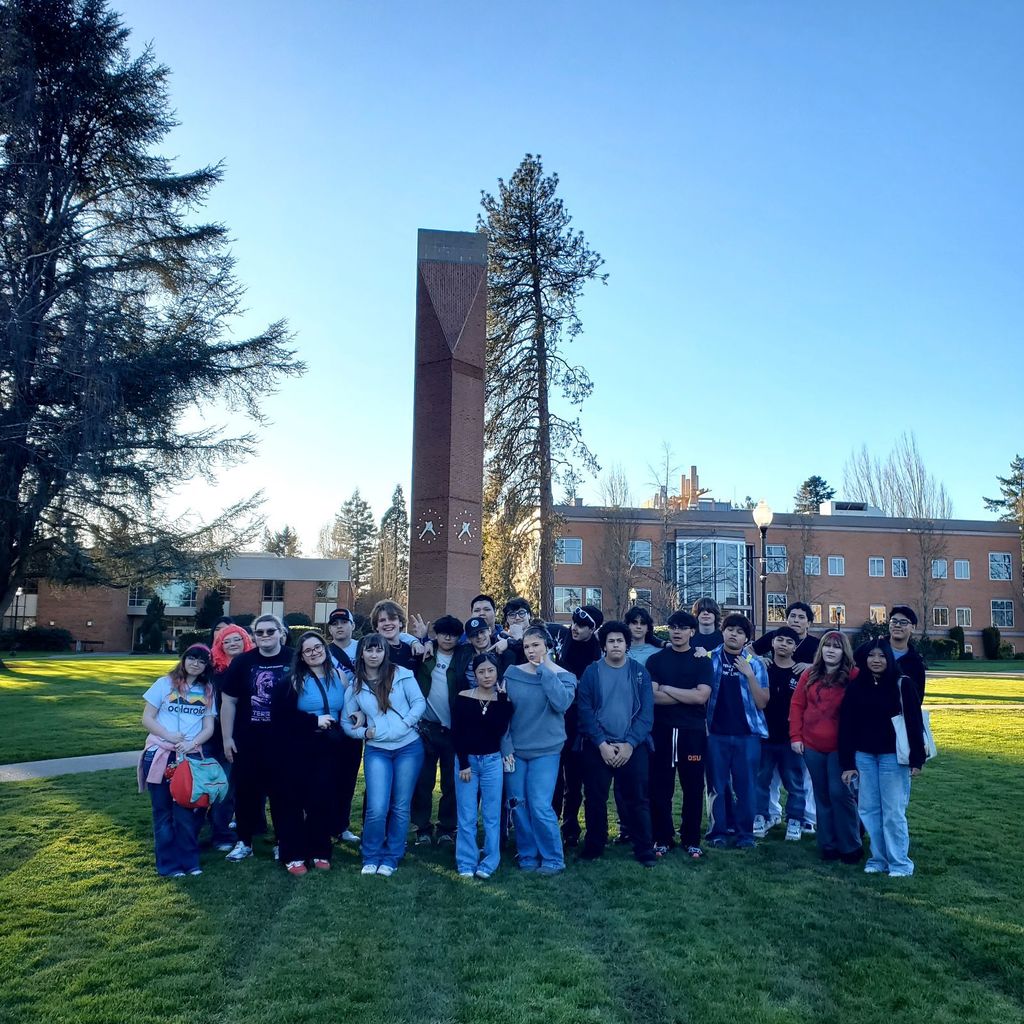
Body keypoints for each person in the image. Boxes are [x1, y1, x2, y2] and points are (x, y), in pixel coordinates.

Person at [342, 633, 426, 876]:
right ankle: (371, 854)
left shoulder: (402, 674)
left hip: (408, 747)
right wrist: (365, 734)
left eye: (378, 650)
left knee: (400, 806)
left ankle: (392, 855)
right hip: (377, 749)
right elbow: (347, 722)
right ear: (362, 653)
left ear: (384, 652)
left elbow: (419, 702)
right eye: (369, 650)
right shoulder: (355, 684)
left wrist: (406, 725)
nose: (374, 654)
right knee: (377, 806)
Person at [840, 643, 925, 876]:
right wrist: (847, 763)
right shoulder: (857, 687)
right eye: (871, 655)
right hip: (864, 756)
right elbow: (847, 726)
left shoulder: (902, 684)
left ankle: (899, 862)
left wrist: (917, 759)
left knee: (893, 811)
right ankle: (878, 858)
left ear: (889, 658)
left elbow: (914, 723)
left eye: (881, 656)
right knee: (868, 809)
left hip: (893, 757)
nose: (876, 660)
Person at [576, 621, 656, 867]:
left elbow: (646, 714)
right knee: (595, 798)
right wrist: (601, 743)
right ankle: (594, 846)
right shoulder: (592, 672)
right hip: (598, 746)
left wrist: (630, 744)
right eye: (611, 641)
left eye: (620, 640)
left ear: (627, 644)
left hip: (632, 746)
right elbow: (585, 710)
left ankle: (644, 849)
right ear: (604, 646)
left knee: (638, 798)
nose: (616, 645)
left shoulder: (639, 673)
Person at [502, 625, 577, 875]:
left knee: (540, 804)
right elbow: (503, 714)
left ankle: (553, 858)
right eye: (526, 646)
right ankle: (527, 854)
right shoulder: (512, 674)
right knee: (518, 803)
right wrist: (506, 746)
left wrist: (545, 671)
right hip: (515, 750)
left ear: (547, 646)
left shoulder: (564, 676)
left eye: (535, 645)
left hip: (546, 750)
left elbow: (561, 703)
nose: (531, 650)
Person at [219, 613, 294, 863]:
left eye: (270, 631)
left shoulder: (294, 658)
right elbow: (228, 701)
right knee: (247, 795)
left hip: (284, 742)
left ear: (281, 633)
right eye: (259, 632)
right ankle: (244, 842)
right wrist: (227, 738)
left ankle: (282, 842)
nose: (264, 636)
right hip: (248, 741)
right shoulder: (243, 662)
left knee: (283, 794)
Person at [138, 645, 217, 877]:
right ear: (183, 660)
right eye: (192, 658)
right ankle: (168, 865)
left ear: (206, 666)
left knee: (187, 812)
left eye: (202, 661)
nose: (196, 663)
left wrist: (192, 744)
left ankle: (190, 862)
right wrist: (168, 736)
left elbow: (209, 727)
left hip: (190, 756)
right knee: (163, 813)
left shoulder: (208, 690)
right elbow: (147, 718)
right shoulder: (164, 684)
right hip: (160, 754)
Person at [277, 631, 348, 875]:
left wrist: (356, 716)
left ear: (325, 649)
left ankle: (320, 849)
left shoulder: (339, 676)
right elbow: (281, 717)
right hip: (299, 747)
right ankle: (293, 854)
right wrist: (313, 721)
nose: (314, 652)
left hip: (330, 747)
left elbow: (348, 707)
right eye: (308, 650)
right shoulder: (294, 680)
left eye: (318, 647)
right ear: (302, 656)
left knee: (322, 800)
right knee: (293, 801)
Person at [790, 631, 862, 864]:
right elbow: (797, 705)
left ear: (844, 651)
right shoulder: (809, 674)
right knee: (821, 796)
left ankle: (850, 845)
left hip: (840, 747)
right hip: (812, 745)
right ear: (820, 649)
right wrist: (795, 737)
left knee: (840, 793)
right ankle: (828, 845)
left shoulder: (854, 676)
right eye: (826, 646)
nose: (831, 650)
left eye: (836, 647)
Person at [646, 610, 713, 859]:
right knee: (660, 787)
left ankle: (691, 839)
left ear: (691, 632)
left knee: (693, 787)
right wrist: (686, 695)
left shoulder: (701, 661)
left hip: (692, 733)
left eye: (683, 627)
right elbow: (653, 697)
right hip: (662, 731)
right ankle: (662, 838)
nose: (677, 631)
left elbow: (701, 696)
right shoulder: (656, 660)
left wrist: (668, 689)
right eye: (673, 627)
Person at [752, 601, 820, 835]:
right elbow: (749, 650)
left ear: (809, 623)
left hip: (796, 730)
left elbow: (827, 664)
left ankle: (803, 818)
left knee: (800, 779)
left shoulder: (814, 645)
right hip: (767, 731)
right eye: (792, 615)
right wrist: (759, 660)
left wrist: (810, 666)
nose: (796, 620)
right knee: (765, 778)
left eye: (802, 617)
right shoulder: (774, 638)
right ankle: (767, 815)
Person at [704, 614, 770, 849]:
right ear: (722, 632)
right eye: (730, 629)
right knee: (716, 785)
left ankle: (745, 834)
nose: (734, 634)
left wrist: (749, 675)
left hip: (747, 735)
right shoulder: (708, 658)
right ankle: (718, 831)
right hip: (715, 733)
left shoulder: (756, 664)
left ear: (746, 638)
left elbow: (762, 702)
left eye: (740, 631)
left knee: (746, 786)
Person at [452, 651, 514, 878]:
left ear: (497, 672)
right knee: (467, 814)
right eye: (481, 672)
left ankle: (490, 860)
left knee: (491, 814)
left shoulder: (503, 701)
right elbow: (458, 733)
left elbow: (498, 730)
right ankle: (466, 861)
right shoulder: (463, 697)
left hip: (492, 762)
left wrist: (503, 700)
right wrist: (464, 763)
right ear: (474, 674)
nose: (487, 676)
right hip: (467, 762)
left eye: (491, 671)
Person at [411, 614, 468, 847]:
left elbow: (488, 643)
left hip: (454, 729)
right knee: (423, 782)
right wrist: (421, 639)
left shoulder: (463, 655)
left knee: (451, 783)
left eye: (453, 634)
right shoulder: (425, 652)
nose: (448, 637)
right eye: (443, 632)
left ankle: (447, 827)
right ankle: (422, 827)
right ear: (436, 633)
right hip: (426, 728)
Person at [554, 605, 603, 846]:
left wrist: (663, 642)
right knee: (554, 779)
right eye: (574, 622)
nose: (576, 628)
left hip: (582, 723)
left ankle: (570, 829)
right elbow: (535, 631)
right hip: (557, 720)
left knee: (575, 781)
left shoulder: (599, 649)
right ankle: (550, 827)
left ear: (593, 629)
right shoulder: (563, 637)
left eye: (582, 625)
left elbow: (640, 635)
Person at [753, 626, 807, 842]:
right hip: (764, 736)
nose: (783, 644)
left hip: (790, 738)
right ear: (772, 643)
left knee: (794, 782)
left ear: (795, 647)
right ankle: (760, 817)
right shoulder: (763, 668)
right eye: (780, 640)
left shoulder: (801, 673)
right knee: (761, 780)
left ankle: (795, 820)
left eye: (789, 641)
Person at [203, 624, 254, 851]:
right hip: (212, 735)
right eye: (227, 641)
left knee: (229, 787)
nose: (233, 644)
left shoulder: (253, 667)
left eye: (237, 639)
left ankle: (222, 833)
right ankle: (214, 831)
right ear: (220, 646)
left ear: (245, 640)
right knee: (210, 785)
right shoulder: (215, 672)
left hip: (241, 734)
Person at [325, 607, 361, 843]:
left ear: (352, 625)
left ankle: (342, 825)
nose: (339, 626)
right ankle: (323, 824)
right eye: (335, 623)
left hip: (356, 719)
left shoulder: (364, 646)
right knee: (327, 777)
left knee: (348, 777)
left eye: (343, 622)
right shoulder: (324, 651)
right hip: (330, 721)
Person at [855, 606, 926, 697]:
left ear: (913, 627)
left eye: (903, 622)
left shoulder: (915, 662)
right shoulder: (869, 648)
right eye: (894, 621)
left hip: (897, 709)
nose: (897, 625)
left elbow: (917, 697)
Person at [370, 599, 426, 671]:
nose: (387, 623)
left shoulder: (411, 649)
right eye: (382, 620)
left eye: (392, 619)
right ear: (376, 626)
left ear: (400, 623)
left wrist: (423, 639)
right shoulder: (372, 651)